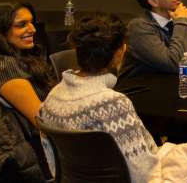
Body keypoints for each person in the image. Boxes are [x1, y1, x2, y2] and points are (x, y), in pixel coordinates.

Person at [39, 14, 158, 183]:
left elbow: (51, 160)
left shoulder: (53, 96)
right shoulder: (112, 103)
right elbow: (143, 174)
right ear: (120, 52)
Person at [0, 2, 55, 181]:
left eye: (32, 22)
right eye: (22, 25)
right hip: (31, 157)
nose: (33, 29)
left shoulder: (13, 58)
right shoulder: (3, 68)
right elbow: (42, 119)